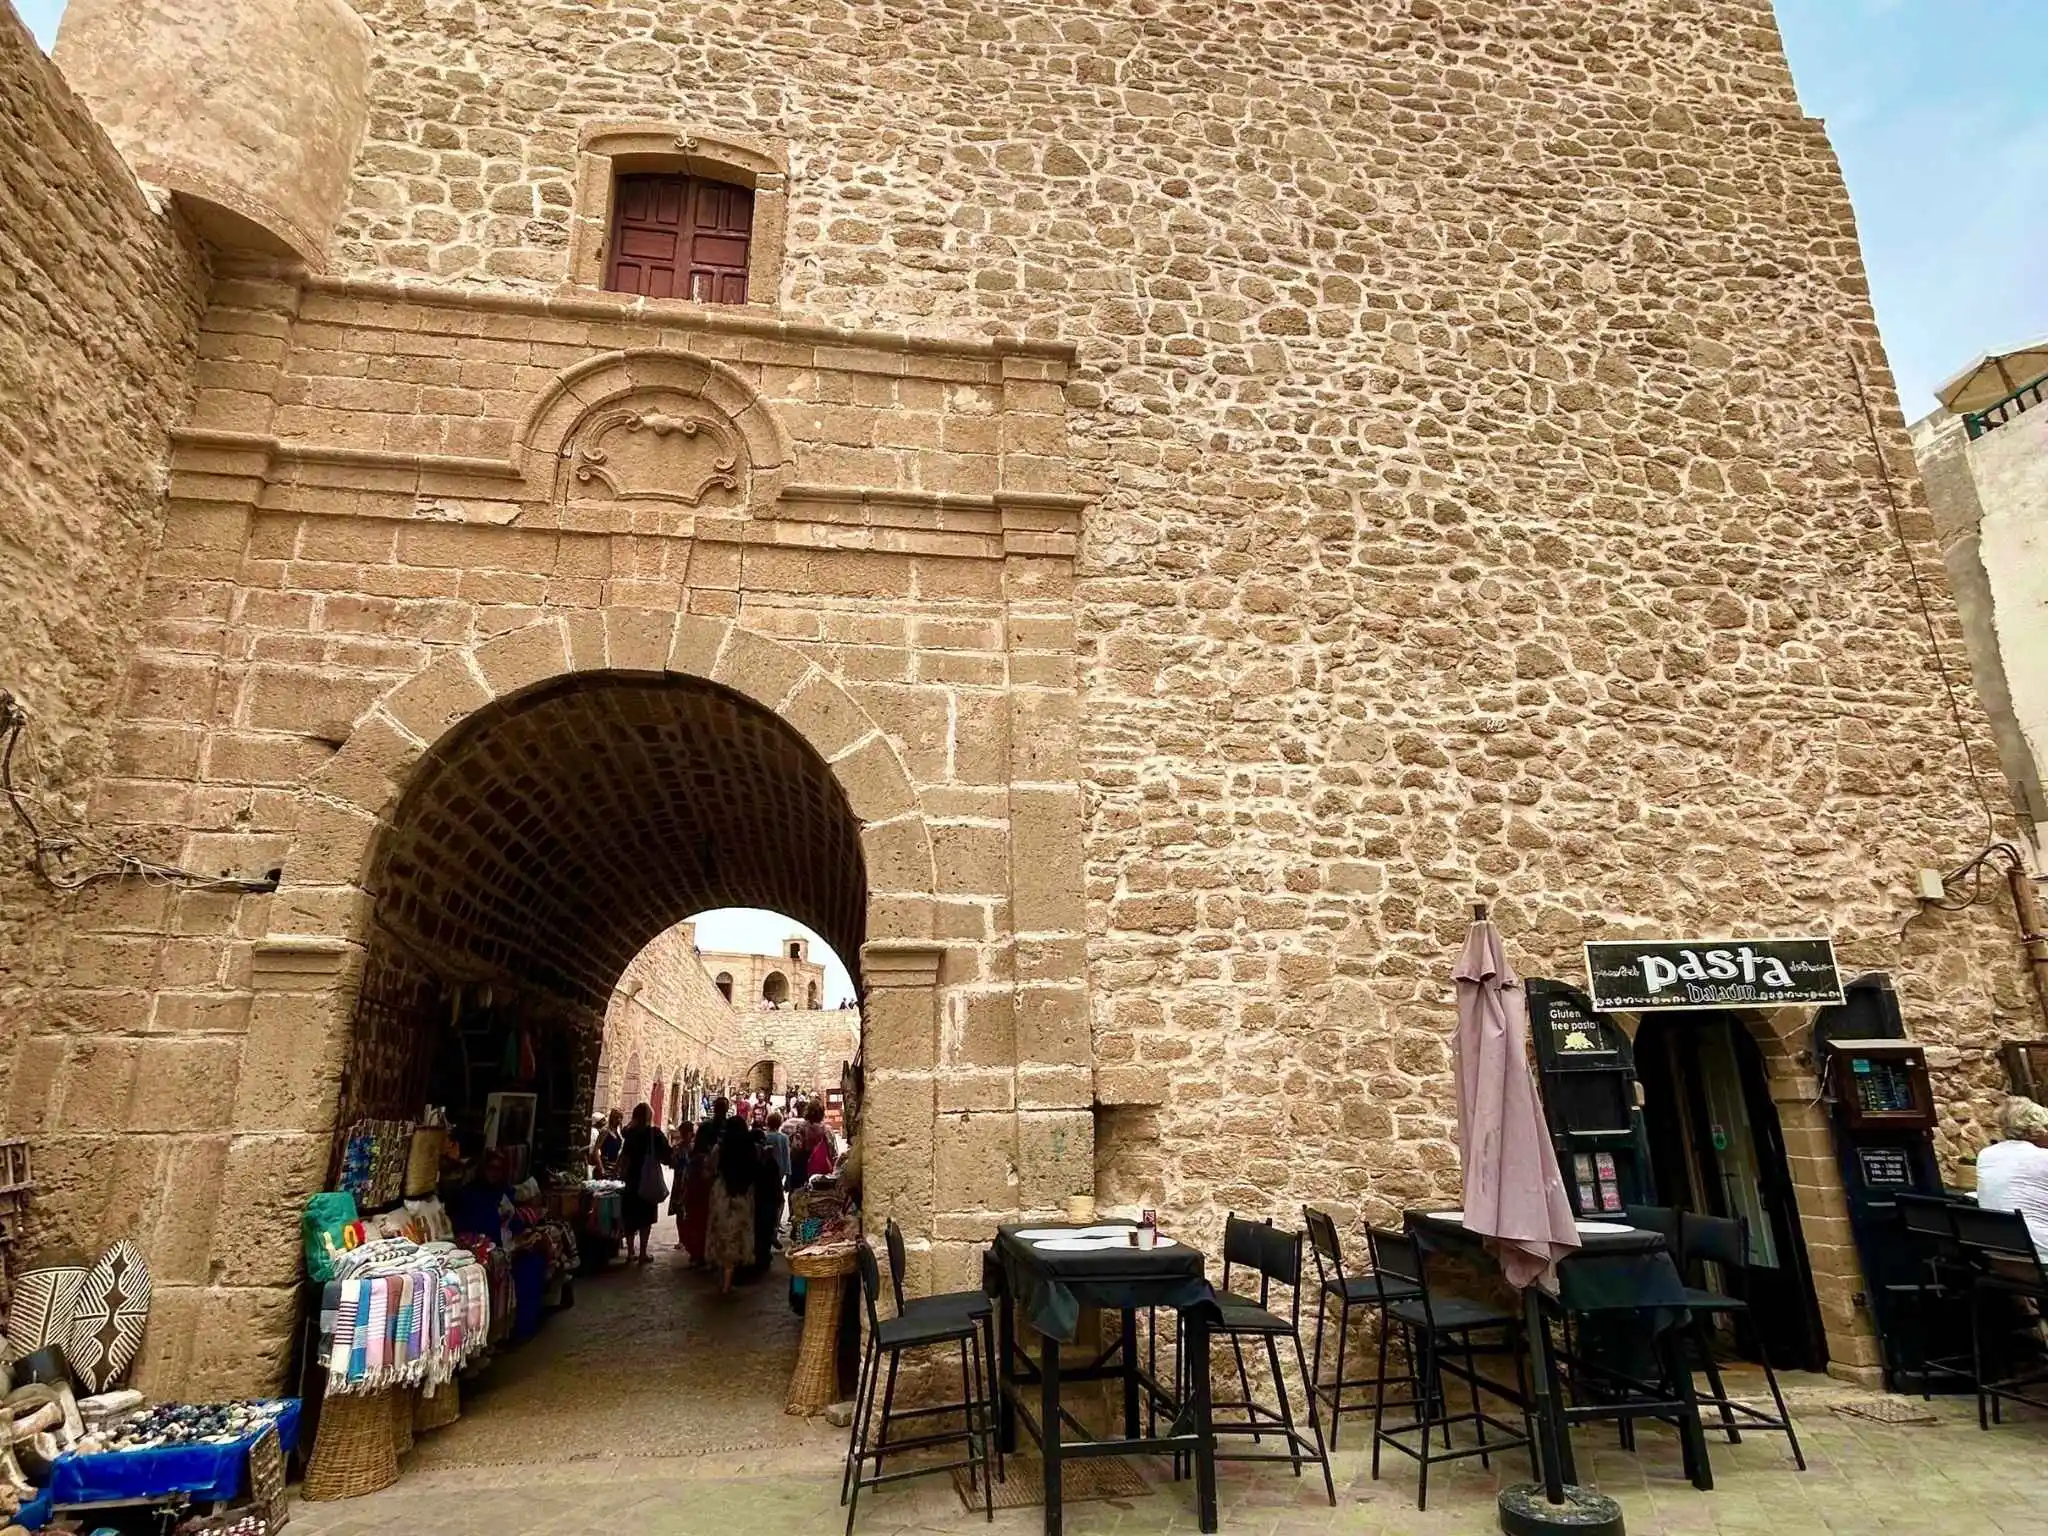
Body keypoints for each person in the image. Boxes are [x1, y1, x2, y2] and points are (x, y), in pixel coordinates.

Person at [1977, 1095, 2048, 1256]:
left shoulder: (1986, 1155)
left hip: (2001, 1255)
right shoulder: (2043, 1157)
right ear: (2036, 1129)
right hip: (2042, 1253)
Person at [705, 1115, 757, 1293]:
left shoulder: (720, 1148)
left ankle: (724, 1279)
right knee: (736, 1235)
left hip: (722, 1193)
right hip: (742, 1194)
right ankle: (728, 1280)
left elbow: (710, 1168)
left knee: (722, 1233)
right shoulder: (750, 1148)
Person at [617, 1102, 661, 1262]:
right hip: (647, 1179)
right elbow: (665, 1153)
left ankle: (630, 1252)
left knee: (630, 1215)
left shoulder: (630, 1133)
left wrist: (619, 1172)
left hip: (631, 1178)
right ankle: (642, 1252)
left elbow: (624, 1156)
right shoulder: (653, 1134)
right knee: (646, 1216)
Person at [666, 1122, 696, 1251]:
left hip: (686, 1182)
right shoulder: (685, 1148)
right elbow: (672, 1164)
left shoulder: (690, 1148)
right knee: (681, 1211)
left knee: (685, 1210)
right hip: (682, 1182)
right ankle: (682, 1239)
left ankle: (685, 1239)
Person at [592, 1108, 624, 1176]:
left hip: (614, 1167)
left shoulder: (617, 1132)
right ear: (612, 1118)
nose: (619, 1120)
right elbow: (595, 1150)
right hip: (605, 1165)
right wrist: (601, 1168)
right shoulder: (605, 1131)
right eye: (616, 1117)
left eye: (621, 1118)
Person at [764, 1111, 791, 1187]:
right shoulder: (784, 1138)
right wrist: (788, 1177)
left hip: (765, 1170)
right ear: (780, 1123)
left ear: (767, 1122)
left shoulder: (764, 1136)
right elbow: (787, 1157)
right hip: (779, 1171)